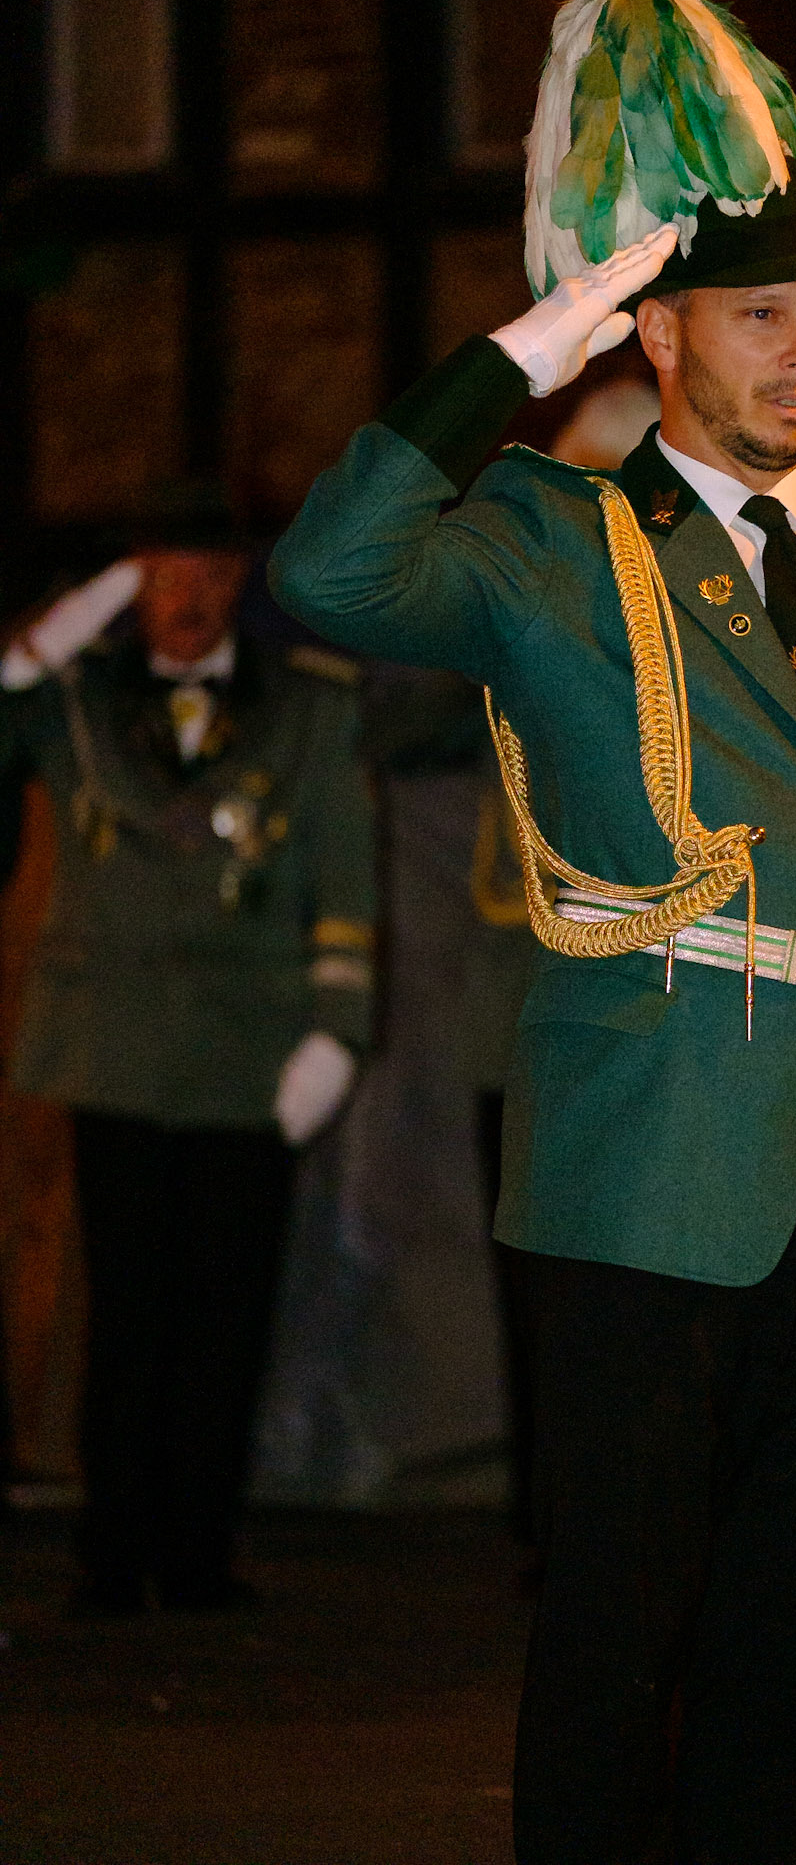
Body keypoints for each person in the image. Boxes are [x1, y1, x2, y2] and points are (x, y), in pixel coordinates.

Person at [272, 0, 796, 1865]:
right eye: (759, 314)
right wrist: (515, 361)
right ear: (661, 336)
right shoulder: (555, 536)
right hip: (649, 1170)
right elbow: (331, 572)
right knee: (618, 1646)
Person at [0, 487, 375, 1613]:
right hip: (112, 1045)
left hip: (249, 1049)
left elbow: (342, 867)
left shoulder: (308, 707)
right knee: (125, 1308)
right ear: (131, 587)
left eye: (211, 576)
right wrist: (102, 596)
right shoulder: (74, 700)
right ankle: (112, 1550)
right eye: (166, 576)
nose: (191, 601)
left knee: (225, 1308)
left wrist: (337, 1030)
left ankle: (196, 1550)